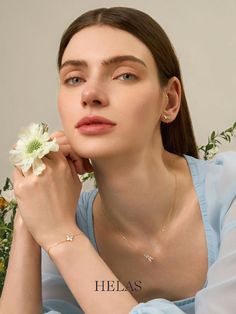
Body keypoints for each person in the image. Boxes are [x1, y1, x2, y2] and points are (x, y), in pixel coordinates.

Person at [0, 6, 236, 314]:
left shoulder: (229, 190)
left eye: (125, 75)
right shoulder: (65, 219)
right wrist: (29, 219)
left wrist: (62, 239)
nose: (91, 94)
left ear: (170, 100)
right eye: (74, 79)